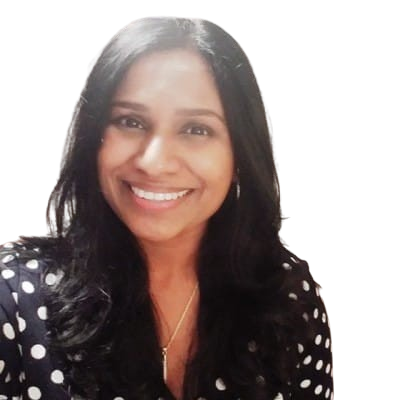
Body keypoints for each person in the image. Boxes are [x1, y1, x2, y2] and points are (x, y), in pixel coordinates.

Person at [0, 16, 333, 400]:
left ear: (240, 155)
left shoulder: (286, 298)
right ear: (94, 140)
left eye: (196, 129)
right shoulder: (14, 297)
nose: (154, 162)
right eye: (130, 121)